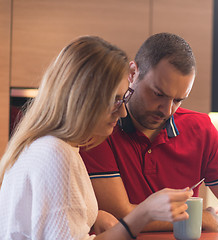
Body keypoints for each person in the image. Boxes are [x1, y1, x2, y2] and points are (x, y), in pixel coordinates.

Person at [80, 33, 218, 240]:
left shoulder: (200, 129)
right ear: (133, 73)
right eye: (158, 94)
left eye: (178, 100)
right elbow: (122, 214)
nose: (167, 110)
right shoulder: (103, 129)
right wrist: (203, 219)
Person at [0, 35, 193, 239]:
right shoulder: (57, 154)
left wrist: (92, 217)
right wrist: (145, 212)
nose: (123, 113)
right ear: (84, 98)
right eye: (116, 100)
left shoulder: (45, 146)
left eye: (123, 98)